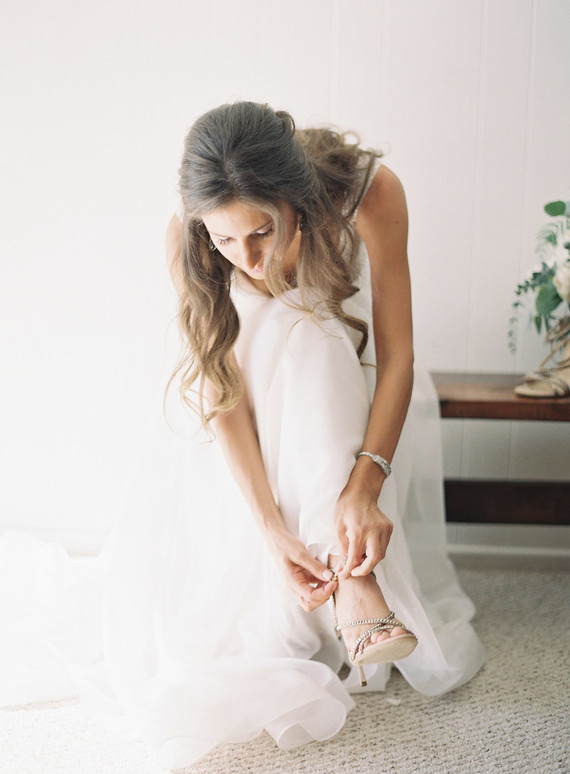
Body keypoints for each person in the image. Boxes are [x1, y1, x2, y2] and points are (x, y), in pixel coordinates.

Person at [0, 100, 484, 771]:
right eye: (226, 242)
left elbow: (398, 355)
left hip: (345, 404)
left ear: (300, 201)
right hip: (241, 441)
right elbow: (219, 390)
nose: (246, 258)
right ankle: (351, 585)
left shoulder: (369, 194)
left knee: (314, 335)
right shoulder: (186, 234)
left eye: (260, 232)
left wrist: (364, 487)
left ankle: (342, 562)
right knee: (290, 332)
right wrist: (268, 527)